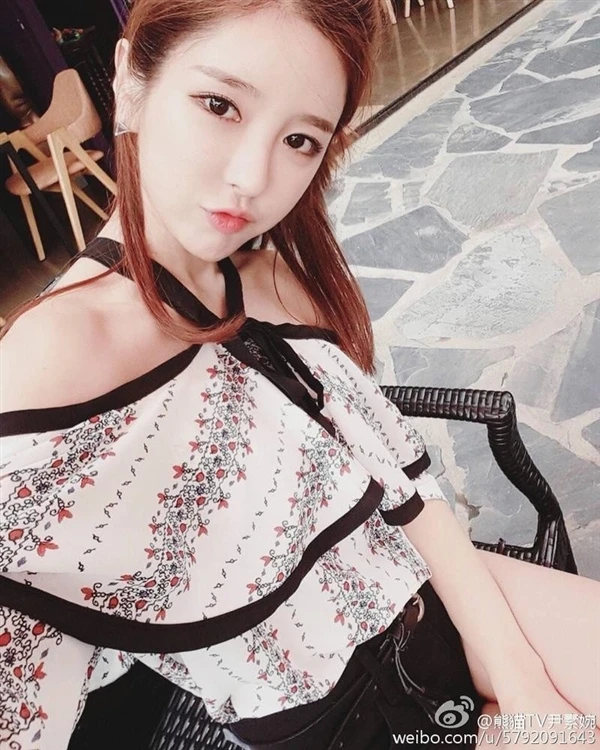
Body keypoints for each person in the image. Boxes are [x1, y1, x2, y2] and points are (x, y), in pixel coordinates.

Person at [0, 1, 599, 748]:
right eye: (219, 105)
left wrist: (523, 685)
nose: (252, 177)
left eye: (299, 140)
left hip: (442, 599)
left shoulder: (274, 281)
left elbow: (406, 492)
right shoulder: (52, 366)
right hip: (338, 721)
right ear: (130, 83)